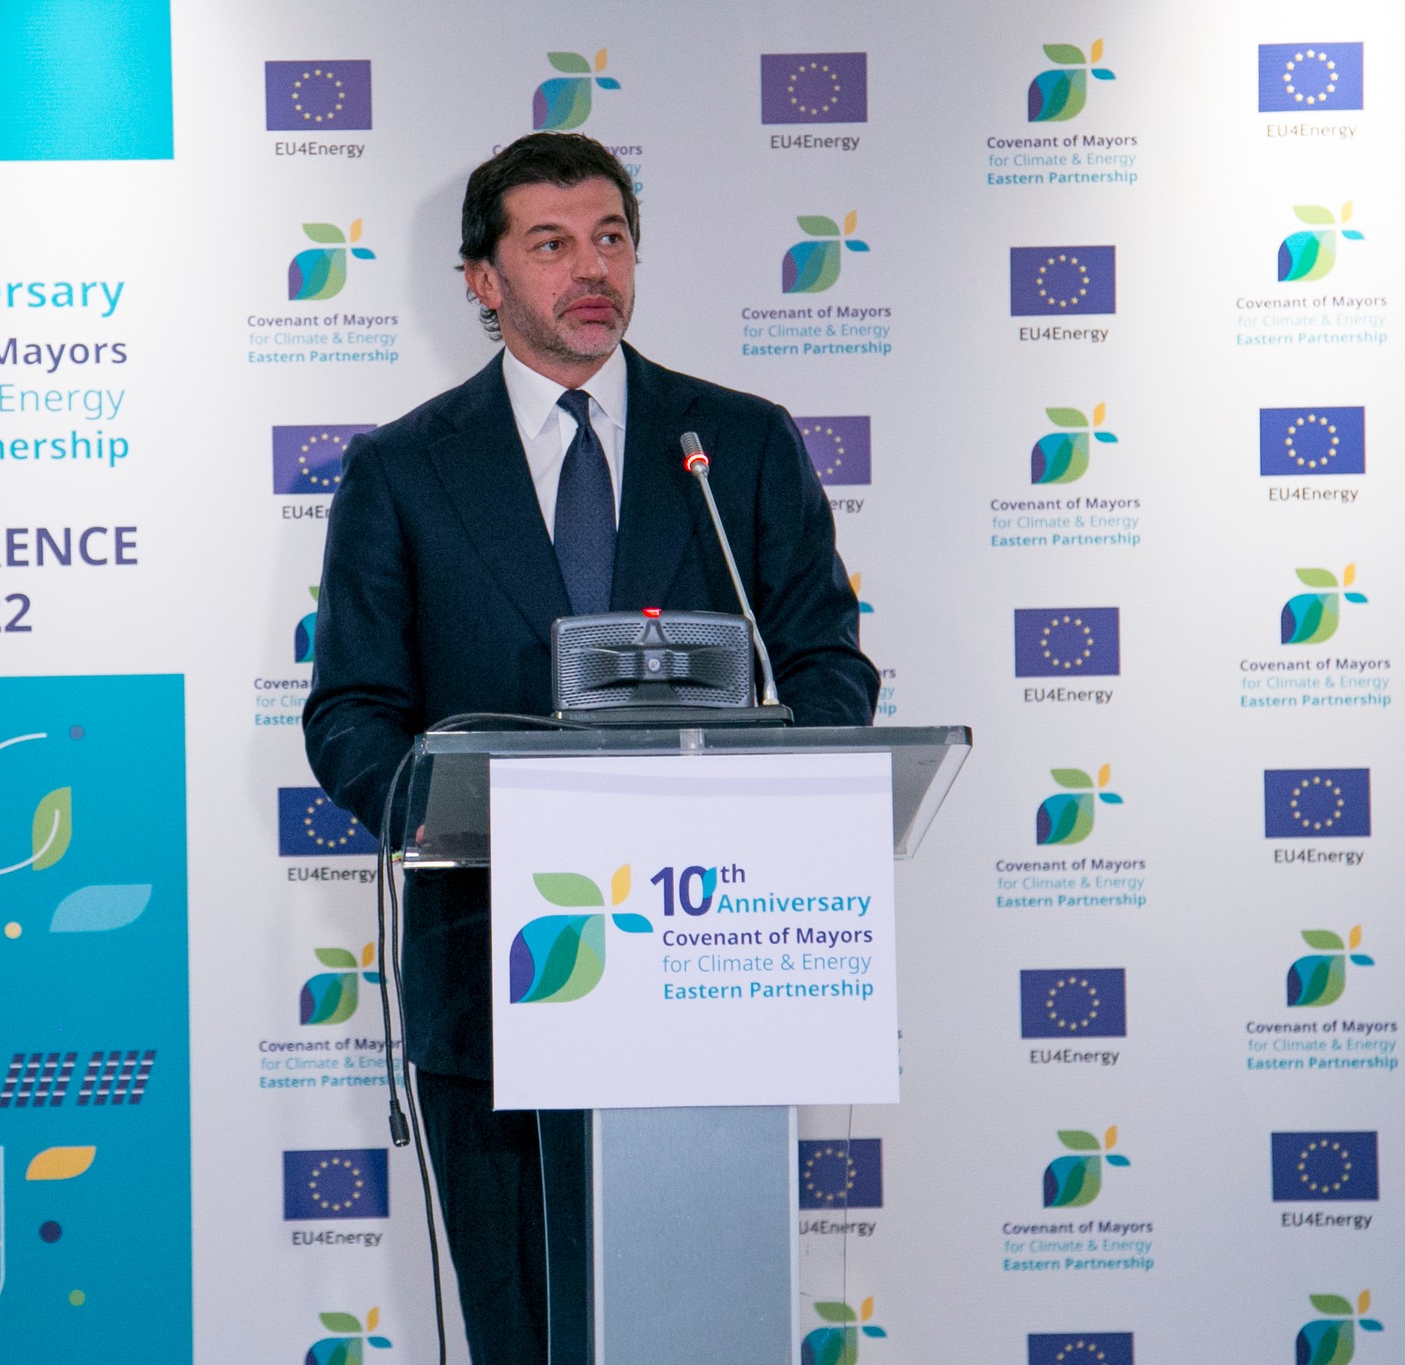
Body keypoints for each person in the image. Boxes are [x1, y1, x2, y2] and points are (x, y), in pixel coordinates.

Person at [301, 132, 877, 1364]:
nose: (590, 269)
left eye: (609, 237)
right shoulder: (401, 471)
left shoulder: (733, 444)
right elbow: (349, 713)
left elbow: (827, 668)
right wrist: (453, 810)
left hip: (709, 957)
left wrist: (772, 799)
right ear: (482, 278)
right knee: (523, 1330)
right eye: (550, 243)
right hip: (493, 975)